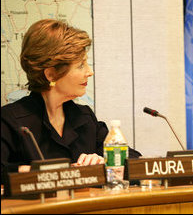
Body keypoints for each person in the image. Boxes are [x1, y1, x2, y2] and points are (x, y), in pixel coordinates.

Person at [1, 19, 141, 183]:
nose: (90, 72)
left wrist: (104, 163)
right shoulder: (10, 121)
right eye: (81, 65)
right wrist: (36, 172)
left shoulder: (84, 117)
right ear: (51, 74)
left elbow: (136, 162)